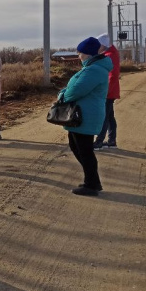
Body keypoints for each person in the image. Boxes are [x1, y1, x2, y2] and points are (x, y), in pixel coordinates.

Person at [58, 37, 112, 196]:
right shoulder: (93, 67)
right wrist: (65, 92)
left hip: (85, 115)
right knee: (78, 147)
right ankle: (93, 181)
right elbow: (74, 87)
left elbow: (76, 90)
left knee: (84, 150)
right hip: (83, 114)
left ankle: (91, 184)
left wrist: (62, 96)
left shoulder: (94, 70)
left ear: (88, 54)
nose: (78, 55)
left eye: (80, 52)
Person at [93, 32, 121, 150]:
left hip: (108, 91)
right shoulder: (110, 54)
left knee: (103, 116)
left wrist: (106, 91)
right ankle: (111, 141)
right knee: (109, 116)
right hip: (110, 90)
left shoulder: (110, 55)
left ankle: (99, 141)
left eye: (98, 46)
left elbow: (113, 75)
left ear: (103, 45)